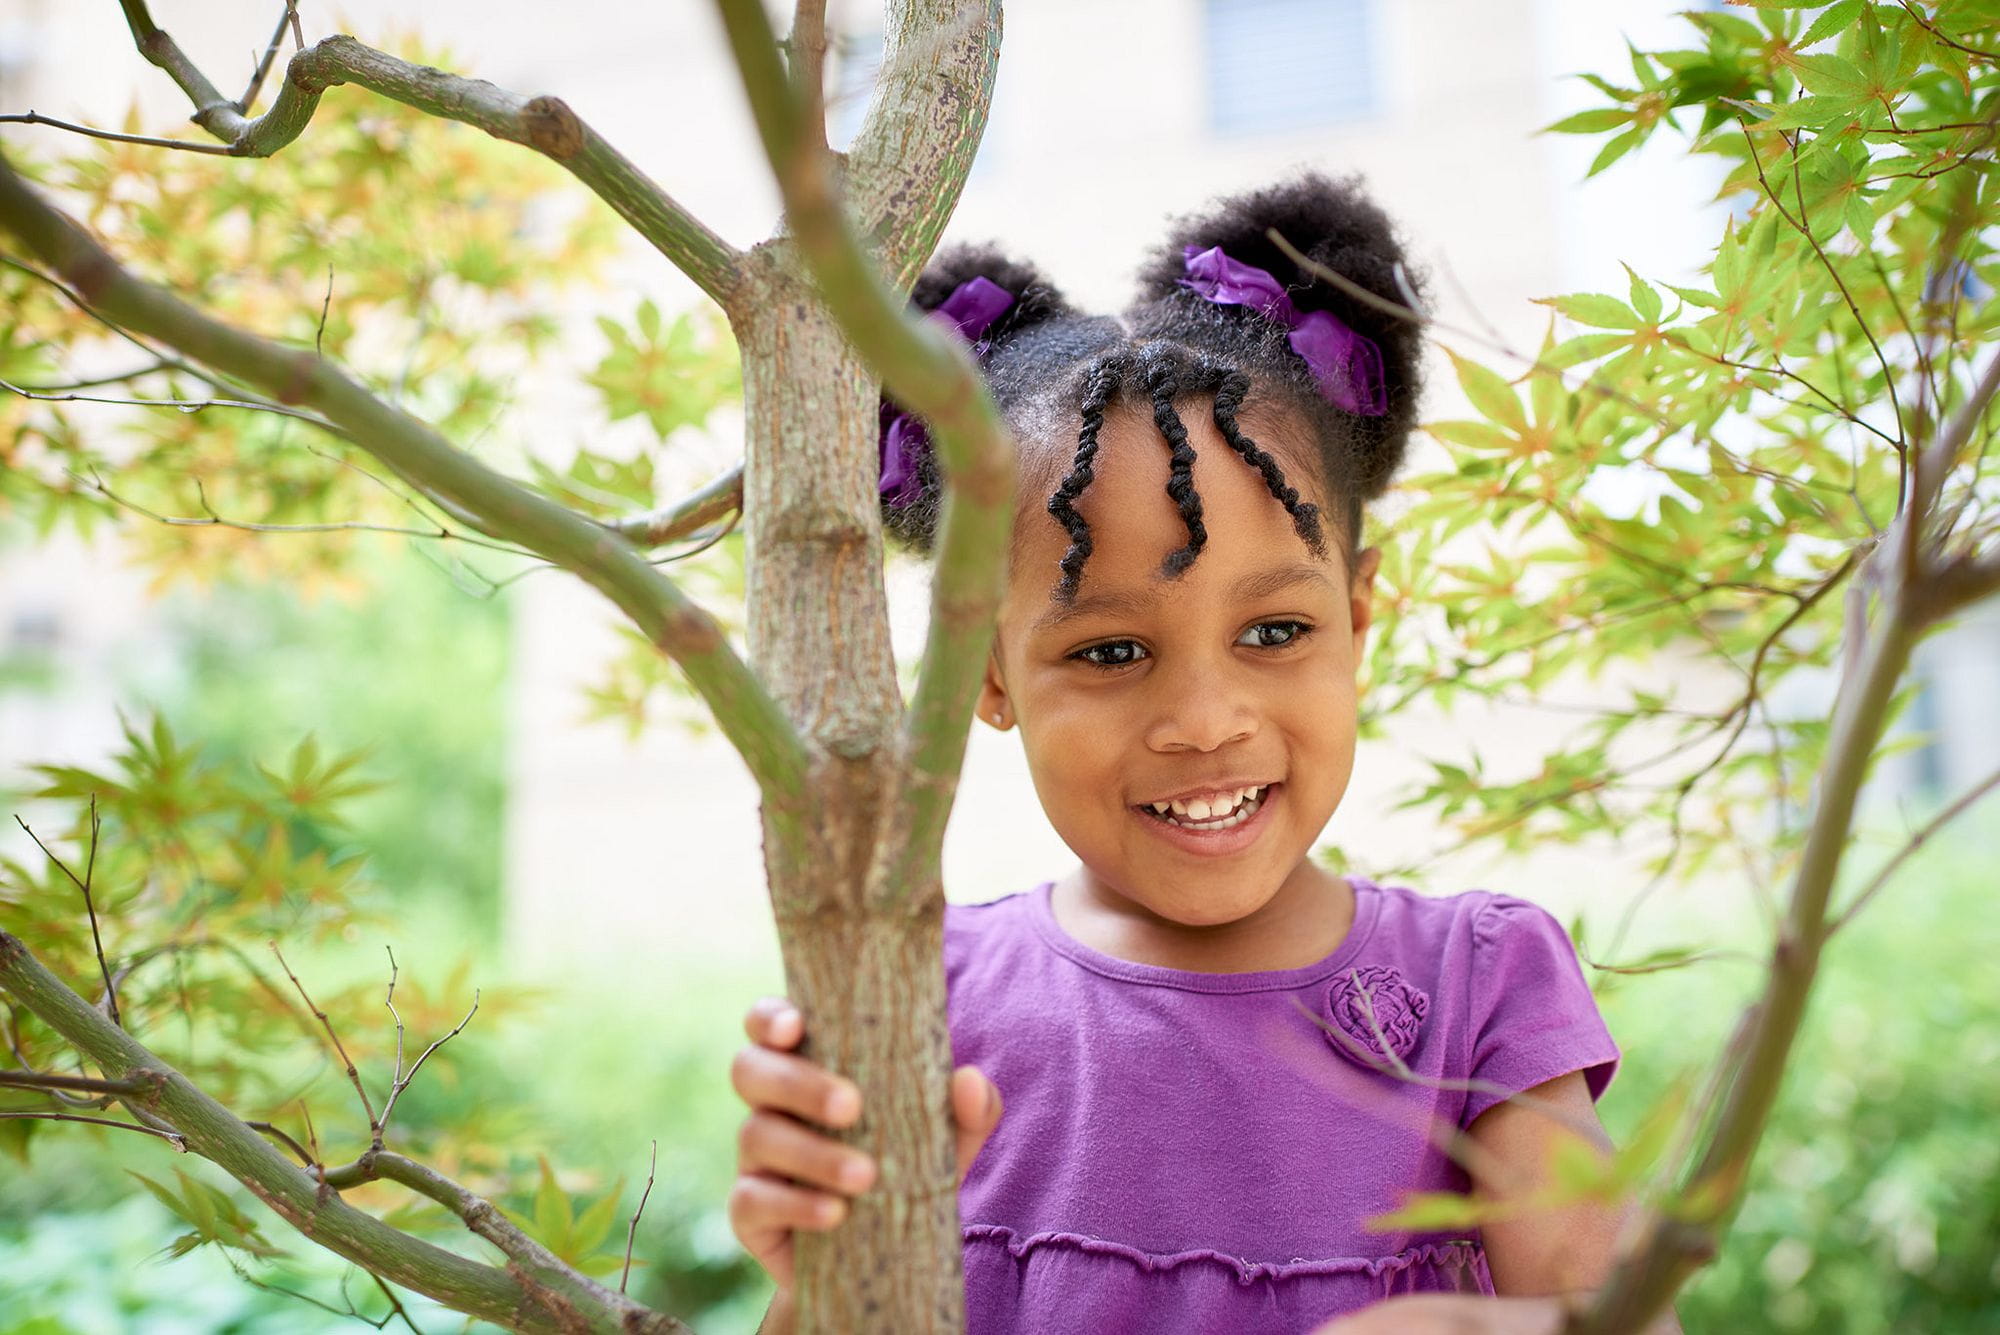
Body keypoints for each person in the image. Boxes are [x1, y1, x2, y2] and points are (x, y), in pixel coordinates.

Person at [727, 173, 1670, 1335]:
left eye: (1273, 631)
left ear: (1358, 614)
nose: (1205, 720)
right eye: (1113, 649)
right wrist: (812, 1282)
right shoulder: (920, 997)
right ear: (982, 671)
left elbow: (1622, 1319)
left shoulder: (1479, 992)